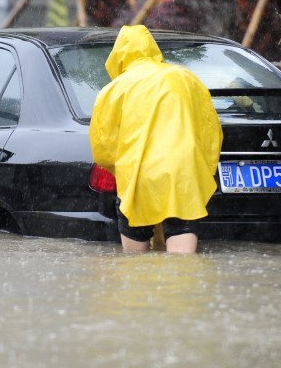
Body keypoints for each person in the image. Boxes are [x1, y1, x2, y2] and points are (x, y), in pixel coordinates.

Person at [89, 25, 223, 254]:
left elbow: (103, 149)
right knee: (183, 267)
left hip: (138, 177)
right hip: (182, 175)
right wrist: (202, 171)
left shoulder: (113, 90)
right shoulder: (185, 78)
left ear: (118, 55)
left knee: (135, 269)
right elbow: (211, 132)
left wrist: (121, 172)